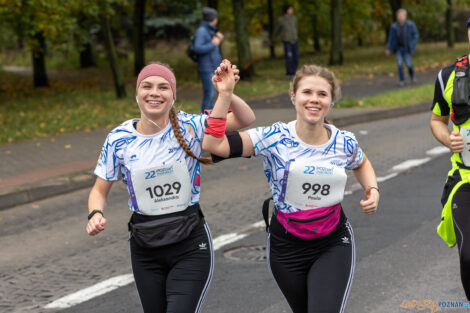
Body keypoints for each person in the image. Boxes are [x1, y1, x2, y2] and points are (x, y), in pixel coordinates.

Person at [203, 64, 379, 313]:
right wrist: (225, 95)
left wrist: (372, 189)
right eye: (307, 92)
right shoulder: (274, 137)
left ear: (331, 101)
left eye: (322, 94)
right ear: (293, 97)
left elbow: (361, 162)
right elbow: (214, 144)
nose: (314, 100)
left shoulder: (344, 141)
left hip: (332, 242)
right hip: (286, 248)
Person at [86, 61, 254, 312]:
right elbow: (99, 189)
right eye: (147, 86)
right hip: (145, 246)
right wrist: (95, 214)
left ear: (173, 96)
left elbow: (245, 118)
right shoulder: (119, 139)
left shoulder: (190, 126)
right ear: (137, 93)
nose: (155, 92)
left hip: (189, 242)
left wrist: (226, 93)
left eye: (163, 87)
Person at [430, 18, 470, 301]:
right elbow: (436, 120)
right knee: (468, 256)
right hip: (465, 180)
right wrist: (447, 139)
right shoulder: (450, 75)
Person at [194, 7, 224, 113]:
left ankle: (208, 118)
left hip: (211, 67)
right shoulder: (202, 31)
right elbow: (197, 48)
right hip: (206, 68)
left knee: (212, 94)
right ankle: (204, 120)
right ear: (214, 19)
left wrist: (217, 37)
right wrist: (213, 43)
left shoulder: (208, 30)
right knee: (210, 93)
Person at [386, 8, 419, 86]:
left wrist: (413, 43)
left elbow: (416, 35)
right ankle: (402, 80)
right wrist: (388, 48)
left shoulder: (410, 25)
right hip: (398, 49)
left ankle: (412, 77)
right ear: (397, 16)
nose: (400, 17)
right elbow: (391, 38)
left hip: (407, 48)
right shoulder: (394, 26)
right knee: (399, 64)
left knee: (409, 65)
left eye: (402, 15)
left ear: (405, 16)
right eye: (399, 15)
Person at [272, 3, 298, 80]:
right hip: (287, 42)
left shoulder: (294, 18)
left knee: (295, 58)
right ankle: (289, 74)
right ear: (286, 10)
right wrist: (272, 39)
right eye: (290, 9)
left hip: (295, 41)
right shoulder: (281, 20)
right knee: (289, 58)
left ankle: (294, 72)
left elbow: (296, 28)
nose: (292, 10)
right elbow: (276, 30)